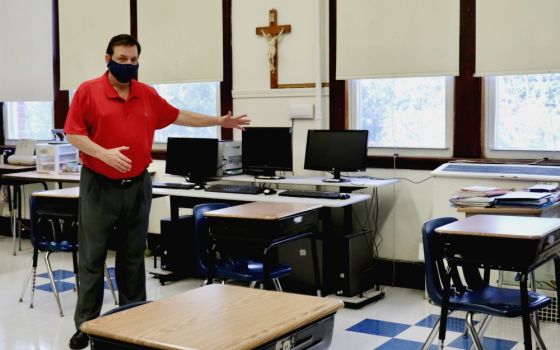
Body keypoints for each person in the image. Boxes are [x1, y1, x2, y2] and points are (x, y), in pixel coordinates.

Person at [65, 34, 249, 349]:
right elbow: (73, 133)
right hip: (99, 184)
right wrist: (103, 153)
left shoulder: (146, 94)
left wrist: (218, 120)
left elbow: (179, 115)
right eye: (122, 59)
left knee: (133, 257)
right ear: (108, 58)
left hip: (137, 184)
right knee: (92, 258)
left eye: (134, 60)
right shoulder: (88, 92)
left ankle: (133, 322)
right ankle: (87, 325)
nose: (128, 65)